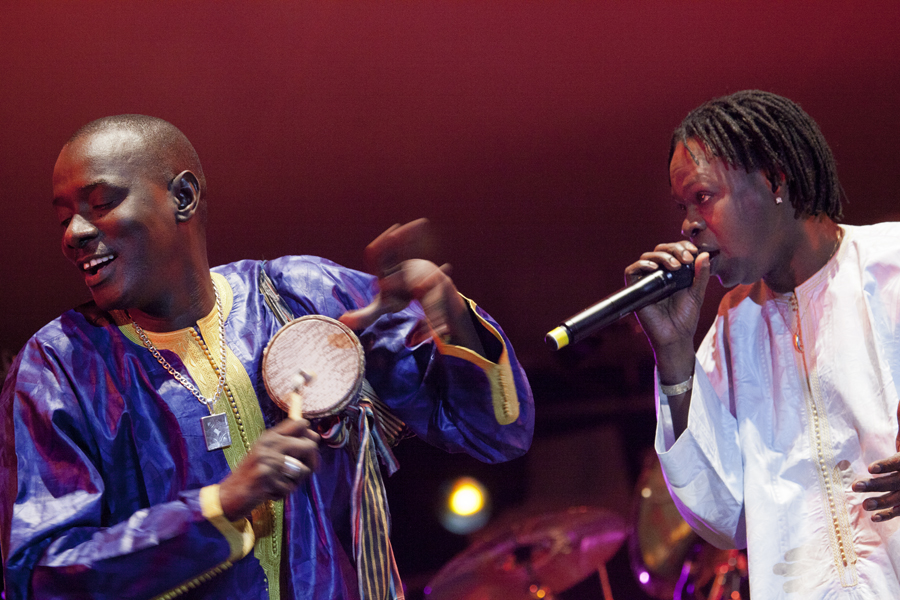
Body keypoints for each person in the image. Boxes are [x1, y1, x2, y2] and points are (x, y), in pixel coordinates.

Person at [0, 115, 534, 599]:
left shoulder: (301, 296)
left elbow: (496, 432)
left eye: (100, 203)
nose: (75, 234)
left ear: (182, 196)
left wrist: (443, 304)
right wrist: (221, 505)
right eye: (64, 217)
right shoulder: (61, 368)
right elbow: (41, 576)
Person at [626, 90, 900, 598]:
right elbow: (722, 515)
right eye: (682, 207)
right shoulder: (729, 333)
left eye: (703, 197)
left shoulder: (891, 264)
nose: (688, 224)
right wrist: (675, 353)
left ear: (774, 179)